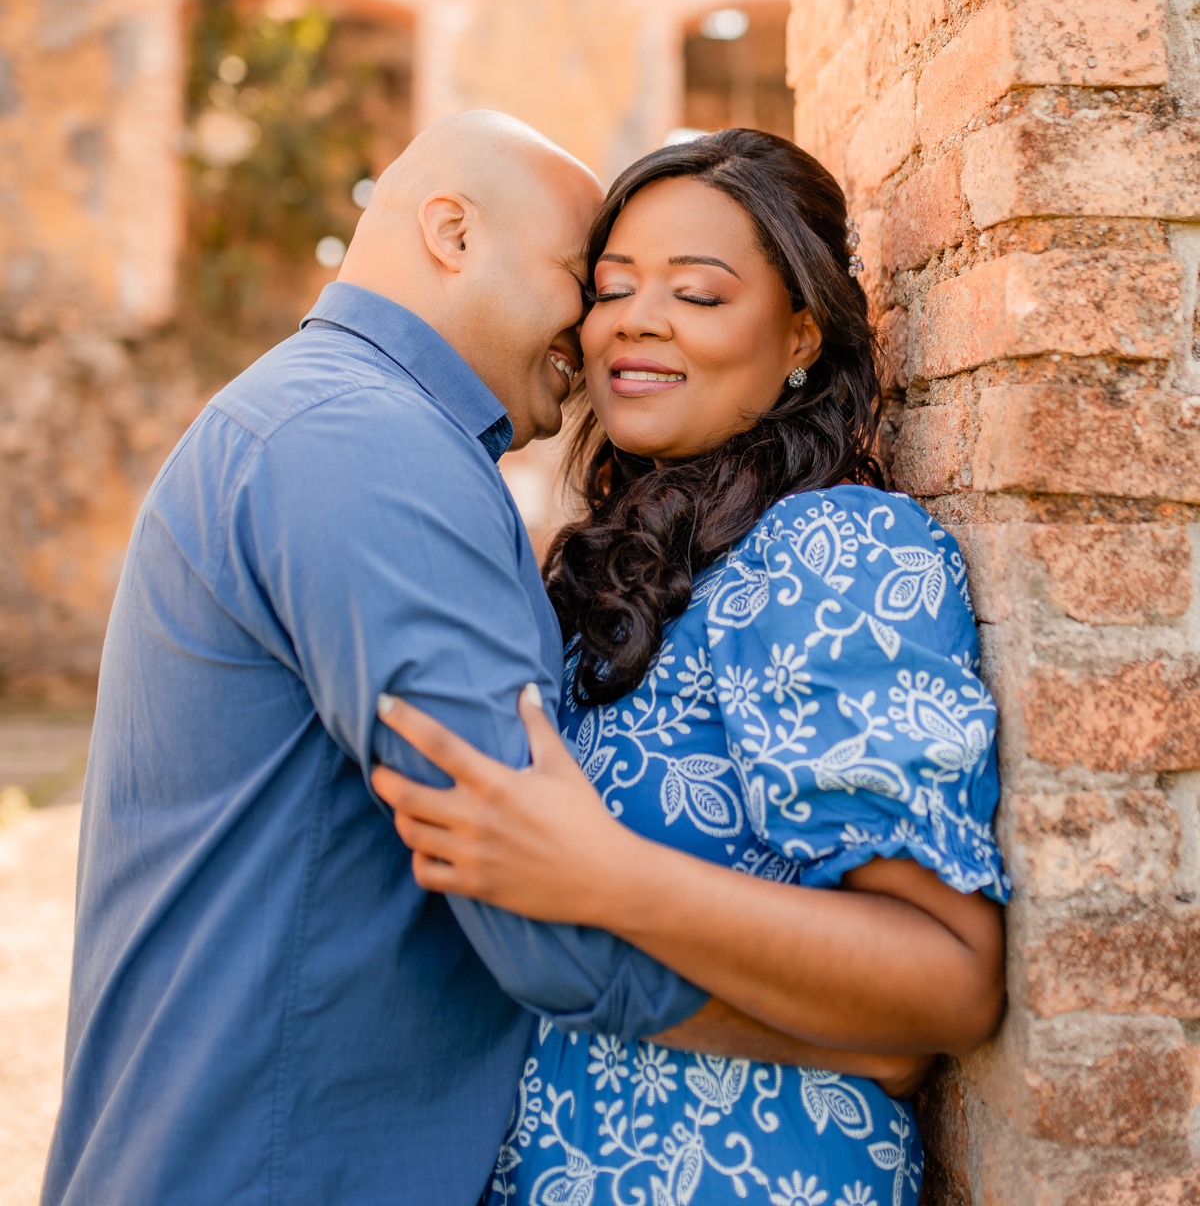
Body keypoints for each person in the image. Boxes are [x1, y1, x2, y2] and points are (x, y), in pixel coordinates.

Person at [45, 110, 935, 1206]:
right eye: (591, 279)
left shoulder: (330, 425)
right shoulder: (366, 447)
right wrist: (863, 1039)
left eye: (688, 291)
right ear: (452, 233)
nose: (595, 326)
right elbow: (539, 929)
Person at [372, 128, 1010, 1206]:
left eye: (699, 295)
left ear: (800, 335)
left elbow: (946, 982)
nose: (635, 318)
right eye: (610, 287)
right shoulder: (605, 574)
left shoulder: (838, 553)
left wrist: (606, 878)